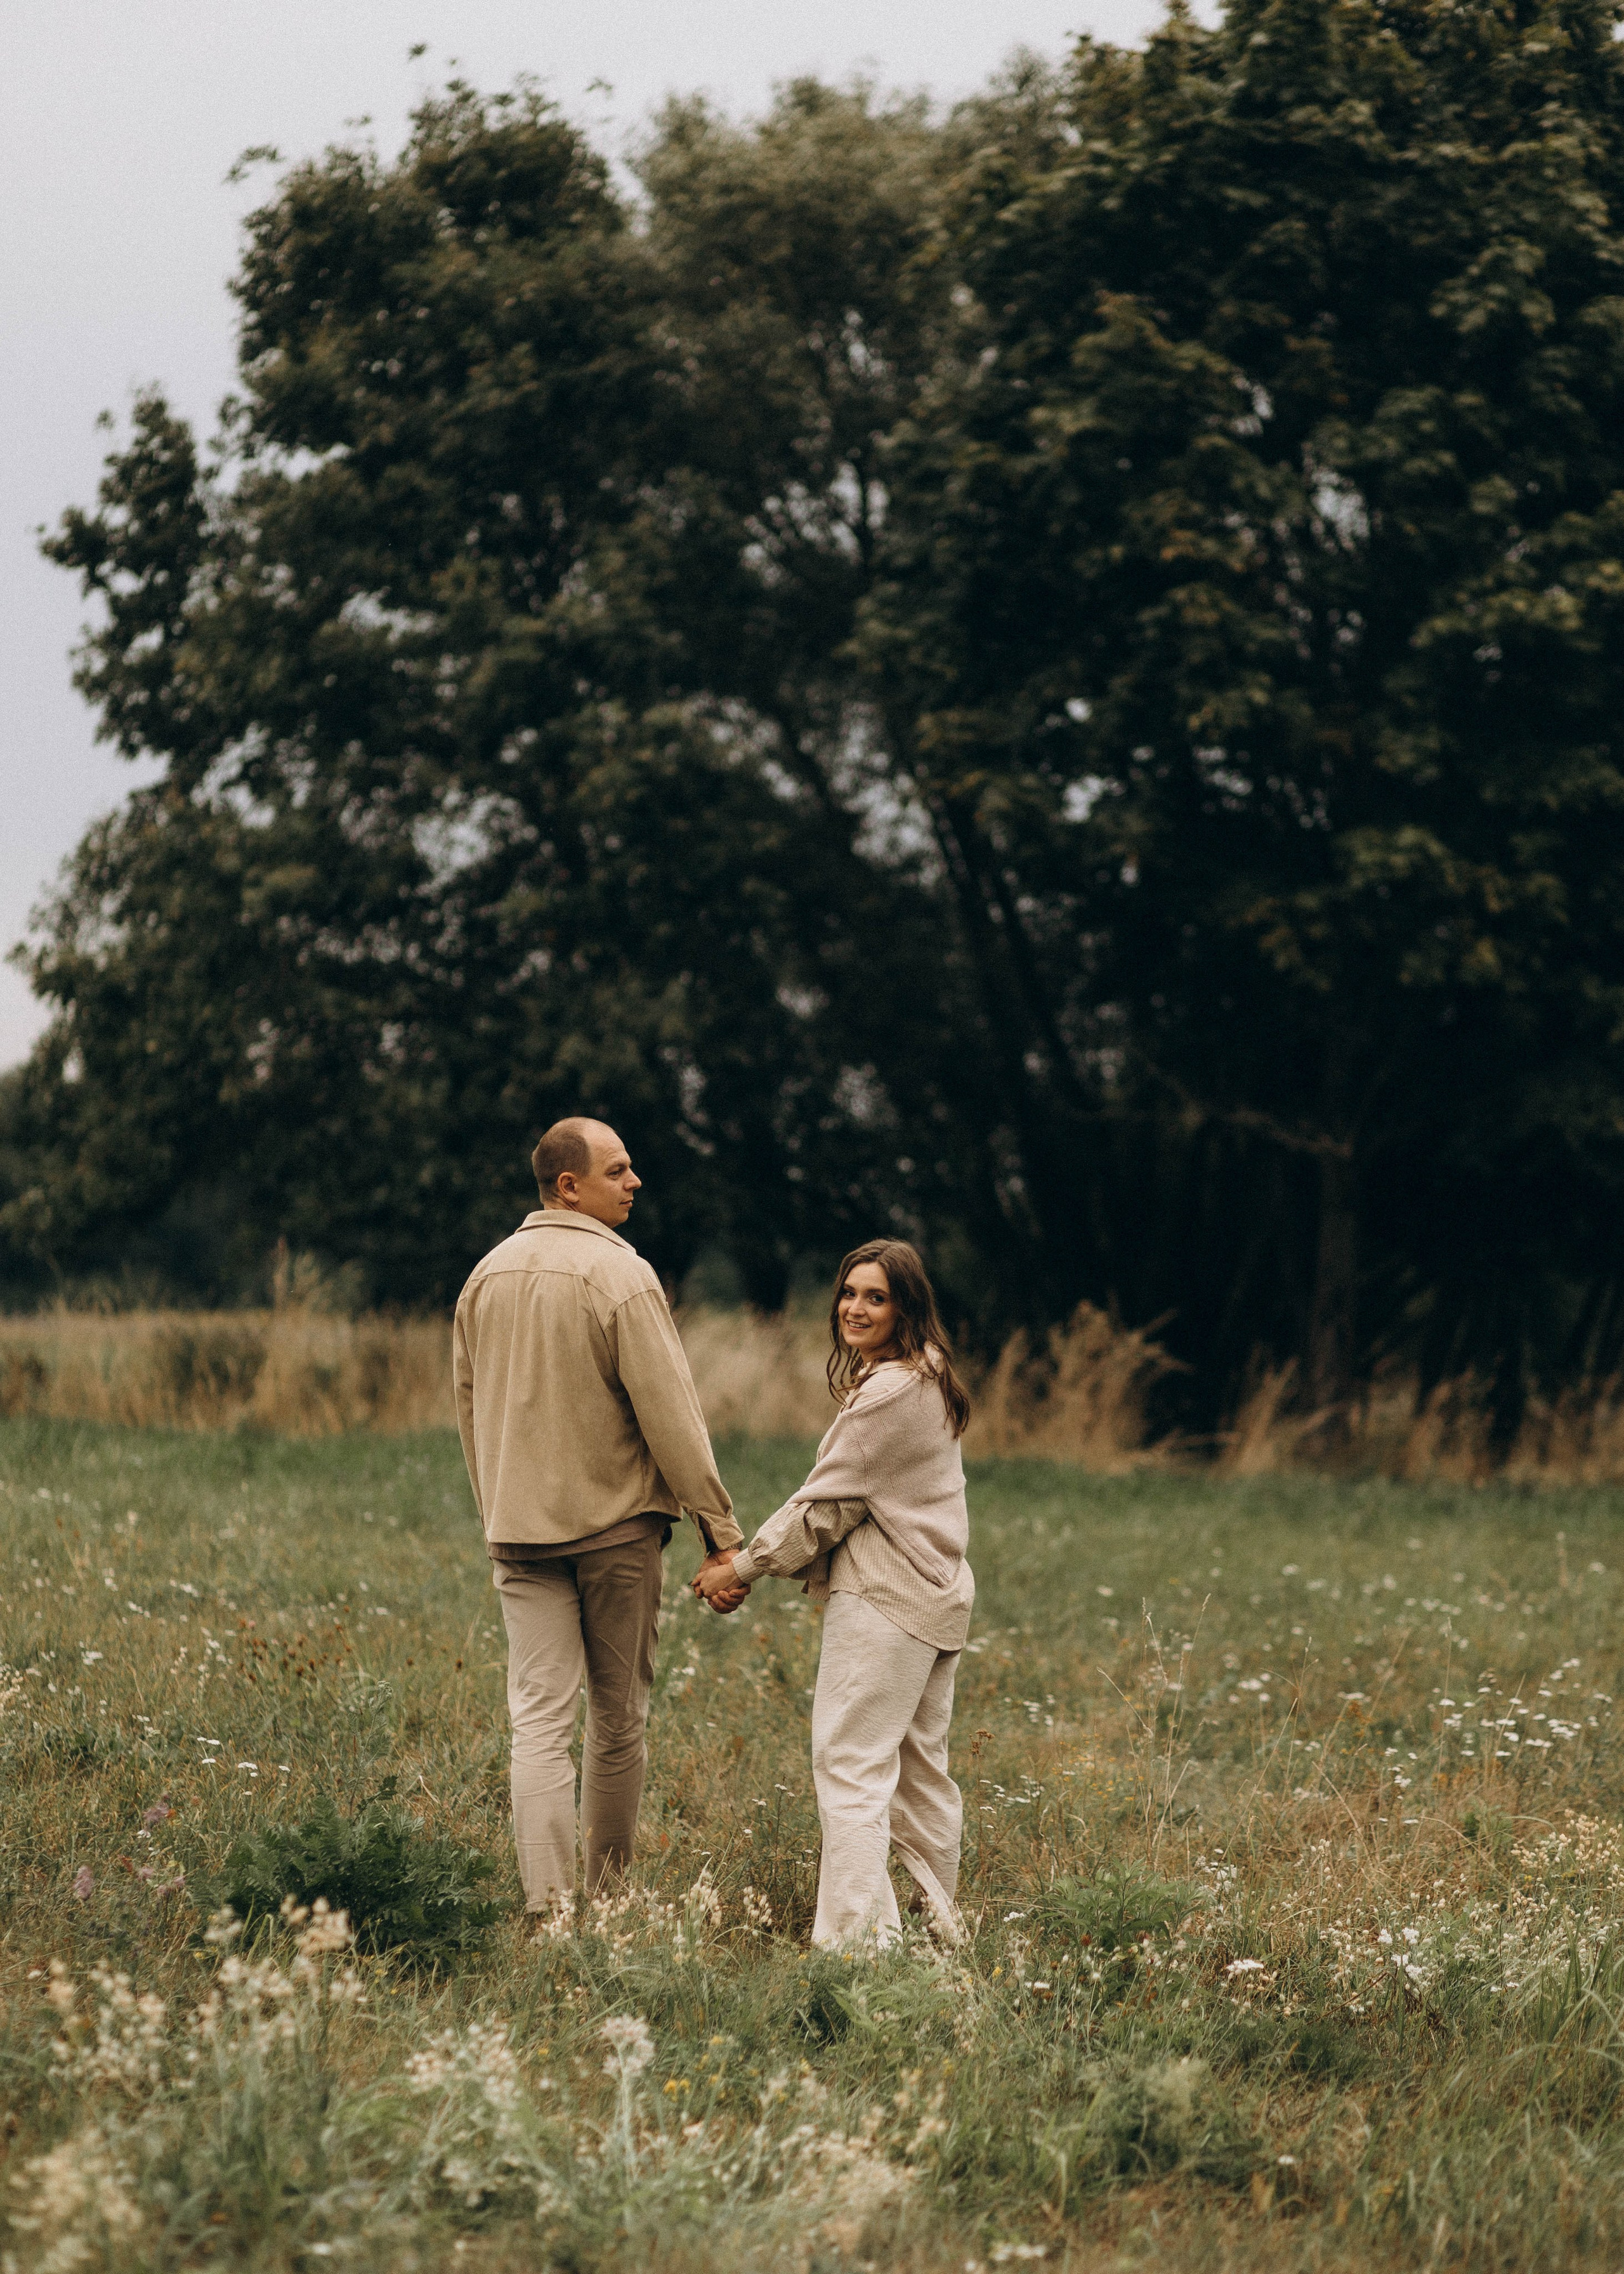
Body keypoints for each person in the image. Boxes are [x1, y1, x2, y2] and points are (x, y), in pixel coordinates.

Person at [453, 1116, 749, 1912]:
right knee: (616, 1723)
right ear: (568, 1186)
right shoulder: (622, 1275)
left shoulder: (484, 1275)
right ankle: (608, 1904)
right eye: (618, 1170)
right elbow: (672, 1416)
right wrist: (722, 1536)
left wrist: (496, 1511)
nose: (634, 1181)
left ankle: (549, 1912)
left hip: (517, 1534)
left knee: (538, 1724)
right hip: (614, 1532)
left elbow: (469, 1411)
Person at [696, 1239, 974, 1947]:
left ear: (906, 1307)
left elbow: (826, 1506)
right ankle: (935, 1939)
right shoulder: (928, 1372)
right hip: (936, 1595)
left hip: (886, 1600)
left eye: (876, 1297)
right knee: (921, 1775)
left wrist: (741, 1567)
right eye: (849, 1293)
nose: (855, 1308)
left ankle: (857, 1949)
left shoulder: (887, 1392)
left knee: (851, 1768)